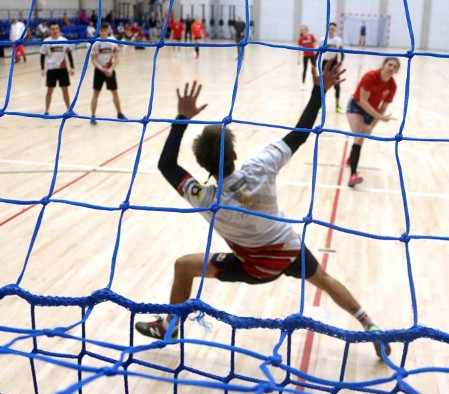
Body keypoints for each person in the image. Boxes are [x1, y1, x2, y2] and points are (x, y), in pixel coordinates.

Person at [134, 62, 391, 359]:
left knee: (183, 266)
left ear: (203, 167)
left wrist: (181, 118)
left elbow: (167, 165)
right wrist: (318, 92)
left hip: (252, 268)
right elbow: (300, 133)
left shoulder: (204, 198)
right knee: (324, 279)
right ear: (234, 154)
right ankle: (369, 325)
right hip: (288, 251)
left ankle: (170, 326)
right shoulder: (260, 167)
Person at [346, 57, 400, 188]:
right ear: (383, 65)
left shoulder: (392, 86)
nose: (392, 68)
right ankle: (353, 175)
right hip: (356, 106)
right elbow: (363, 102)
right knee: (359, 138)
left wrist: (371, 126)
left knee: (361, 138)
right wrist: (381, 118)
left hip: (372, 111)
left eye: (395, 67)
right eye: (390, 64)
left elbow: (382, 108)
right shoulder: (370, 76)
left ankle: (351, 158)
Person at [90, 23, 127, 125]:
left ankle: (120, 113)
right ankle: (93, 116)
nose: (103, 32)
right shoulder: (95, 43)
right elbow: (93, 60)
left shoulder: (112, 42)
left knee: (114, 92)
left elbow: (117, 58)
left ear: (108, 31)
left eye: (105, 30)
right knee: (96, 93)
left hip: (110, 70)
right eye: (101, 31)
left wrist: (111, 69)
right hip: (99, 71)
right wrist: (102, 69)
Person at [40, 22, 75, 115]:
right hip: (51, 69)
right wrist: (42, 68)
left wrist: (72, 67)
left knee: (65, 90)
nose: (55, 31)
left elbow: (69, 54)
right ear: (50, 30)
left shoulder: (64, 40)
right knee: (49, 91)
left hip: (62, 69)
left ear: (59, 29)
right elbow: (42, 55)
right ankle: (47, 111)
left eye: (56, 28)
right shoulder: (46, 41)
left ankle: (69, 110)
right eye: (52, 29)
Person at [319, 22, 344, 113]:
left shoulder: (338, 40)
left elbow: (342, 53)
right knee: (323, 85)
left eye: (333, 29)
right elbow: (318, 52)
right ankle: (321, 105)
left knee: (337, 85)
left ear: (335, 30)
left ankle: (337, 106)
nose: (331, 30)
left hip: (335, 63)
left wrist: (340, 64)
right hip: (325, 63)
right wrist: (314, 62)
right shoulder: (322, 40)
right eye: (330, 28)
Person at [298, 25, 316, 89]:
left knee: (314, 70)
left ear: (306, 30)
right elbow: (300, 49)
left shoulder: (311, 36)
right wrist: (299, 59)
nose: (302, 30)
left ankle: (315, 84)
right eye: (301, 30)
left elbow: (314, 44)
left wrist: (315, 52)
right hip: (305, 56)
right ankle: (303, 84)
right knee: (304, 70)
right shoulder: (300, 39)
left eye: (303, 29)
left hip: (312, 55)